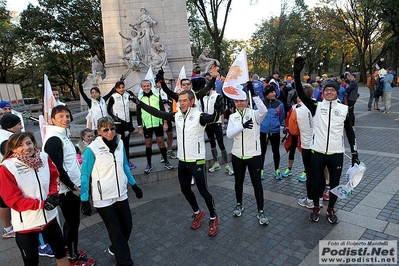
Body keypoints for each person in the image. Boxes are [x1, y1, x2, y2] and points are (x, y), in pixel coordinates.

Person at [130, 89, 223, 237]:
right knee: (185, 190)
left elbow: (212, 118)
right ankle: (198, 212)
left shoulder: (199, 116)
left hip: (197, 161)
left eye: (185, 100)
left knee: (203, 191)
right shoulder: (177, 116)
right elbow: (156, 112)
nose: (181, 103)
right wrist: (139, 103)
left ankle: (213, 216)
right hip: (183, 161)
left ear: (192, 101)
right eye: (180, 101)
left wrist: (218, 110)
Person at [293, 57, 360, 224]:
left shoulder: (344, 109)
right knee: (316, 182)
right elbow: (301, 93)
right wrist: (296, 74)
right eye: (326, 90)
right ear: (322, 92)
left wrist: (354, 153)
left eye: (332, 90)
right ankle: (316, 207)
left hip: (336, 153)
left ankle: (330, 208)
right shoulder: (316, 107)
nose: (329, 92)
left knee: (335, 184)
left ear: (337, 92)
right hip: (317, 151)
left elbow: (350, 133)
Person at [80, 117, 143, 266]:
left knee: (127, 226)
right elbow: (85, 175)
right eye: (105, 130)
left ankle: (115, 248)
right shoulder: (92, 149)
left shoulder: (120, 143)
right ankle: (125, 262)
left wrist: (134, 185)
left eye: (112, 128)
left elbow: (125, 166)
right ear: (99, 131)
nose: (110, 132)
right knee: (116, 232)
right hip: (103, 198)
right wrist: (84, 199)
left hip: (121, 193)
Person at [0, 132, 69, 266]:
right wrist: (41, 204)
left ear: (33, 143)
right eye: (20, 145)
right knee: (31, 262)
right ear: (13, 148)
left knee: (61, 253)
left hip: (50, 219)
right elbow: (12, 199)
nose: (26, 148)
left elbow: (54, 177)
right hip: (26, 225)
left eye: (28, 143)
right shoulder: (7, 167)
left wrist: (53, 195)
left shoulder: (43, 157)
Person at [43, 105, 95, 265]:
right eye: (60, 116)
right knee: (72, 223)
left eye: (67, 116)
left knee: (71, 222)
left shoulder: (62, 135)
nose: (65, 119)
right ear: (52, 120)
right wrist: (73, 187)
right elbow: (57, 168)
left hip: (71, 187)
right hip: (66, 191)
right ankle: (72, 257)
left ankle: (70, 250)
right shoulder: (54, 138)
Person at [226, 82, 269, 225]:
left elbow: (264, 110)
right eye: (237, 101)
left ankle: (261, 211)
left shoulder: (255, 114)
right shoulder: (233, 117)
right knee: (238, 183)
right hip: (237, 155)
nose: (239, 103)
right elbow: (229, 135)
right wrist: (242, 126)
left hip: (254, 155)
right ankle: (239, 204)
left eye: (242, 100)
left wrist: (255, 94)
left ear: (247, 100)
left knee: (257, 184)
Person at [137, 79, 173, 173]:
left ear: (151, 86)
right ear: (142, 87)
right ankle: (149, 164)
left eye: (147, 85)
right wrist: (139, 126)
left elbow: (162, 110)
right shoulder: (139, 99)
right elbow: (138, 114)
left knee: (161, 142)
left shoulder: (157, 95)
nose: (146, 88)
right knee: (148, 144)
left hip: (157, 123)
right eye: (144, 86)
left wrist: (165, 122)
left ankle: (166, 161)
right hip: (147, 124)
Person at [0, 114, 24, 239]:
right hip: (5, 174)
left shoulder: (3, 135)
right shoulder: (7, 139)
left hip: (3, 172)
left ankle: (8, 227)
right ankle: (9, 228)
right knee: (5, 202)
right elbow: (14, 158)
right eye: (19, 124)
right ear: (11, 126)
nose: (21, 127)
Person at [203, 85, 234, 176]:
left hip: (217, 123)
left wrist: (222, 122)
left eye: (207, 87)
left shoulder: (217, 96)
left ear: (211, 87)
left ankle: (227, 165)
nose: (206, 89)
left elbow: (221, 110)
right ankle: (216, 163)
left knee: (221, 144)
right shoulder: (204, 98)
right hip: (208, 124)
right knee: (212, 144)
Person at [107, 80, 136, 169]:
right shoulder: (113, 97)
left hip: (127, 122)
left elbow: (136, 101)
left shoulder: (127, 96)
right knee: (119, 143)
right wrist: (114, 117)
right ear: (116, 88)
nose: (121, 89)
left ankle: (127, 161)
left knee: (126, 143)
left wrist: (133, 96)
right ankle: (119, 162)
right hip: (118, 124)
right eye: (119, 88)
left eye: (123, 87)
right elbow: (108, 110)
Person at [260, 84, 285, 179]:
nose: (274, 93)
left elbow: (281, 117)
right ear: (266, 94)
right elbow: (257, 115)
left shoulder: (279, 104)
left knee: (276, 151)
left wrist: (276, 124)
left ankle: (277, 169)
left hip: (275, 131)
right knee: (262, 151)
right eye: (271, 92)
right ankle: (261, 170)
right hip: (263, 131)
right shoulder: (261, 104)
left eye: (274, 91)